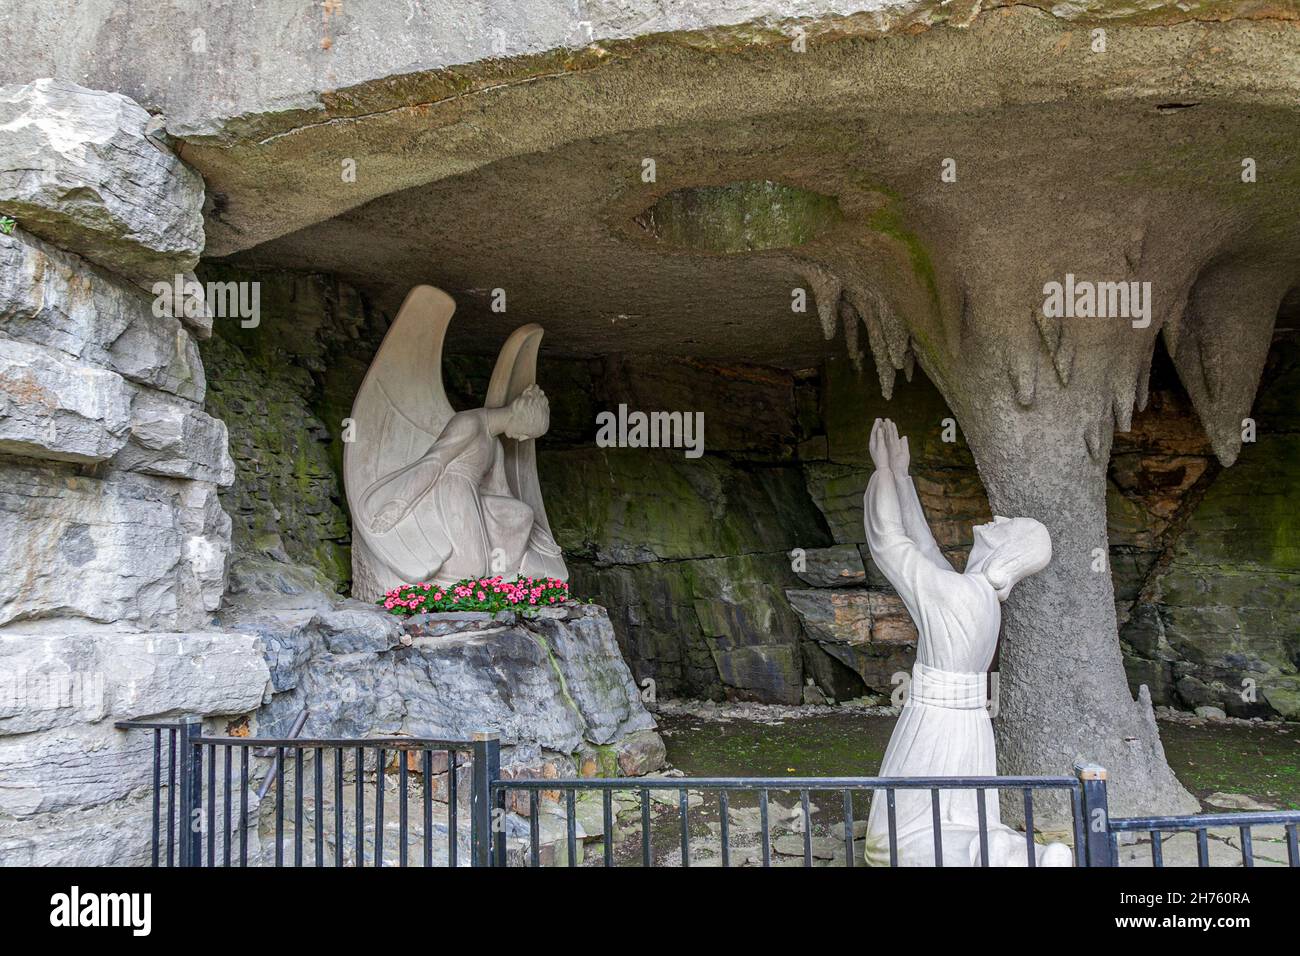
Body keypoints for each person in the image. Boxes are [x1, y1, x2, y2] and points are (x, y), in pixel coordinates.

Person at [862, 418, 1070, 866]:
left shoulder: (958, 594)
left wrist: (881, 472)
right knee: (958, 817)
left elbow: (892, 545)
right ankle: (1019, 853)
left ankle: (994, 853)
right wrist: (901, 479)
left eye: (1007, 526)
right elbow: (925, 549)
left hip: (935, 725)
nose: (996, 521)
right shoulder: (978, 596)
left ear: (1006, 551)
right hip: (969, 729)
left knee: (891, 842)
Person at [357, 384, 566, 587]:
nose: (522, 438)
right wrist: (399, 503)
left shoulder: (495, 444)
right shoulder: (469, 422)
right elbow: (434, 461)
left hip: (472, 494)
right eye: (526, 432)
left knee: (521, 513)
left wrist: (537, 535)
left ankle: (504, 578)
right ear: (519, 416)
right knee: (473, 567)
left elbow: (501, 491)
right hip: (449, 491)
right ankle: (444, 588)